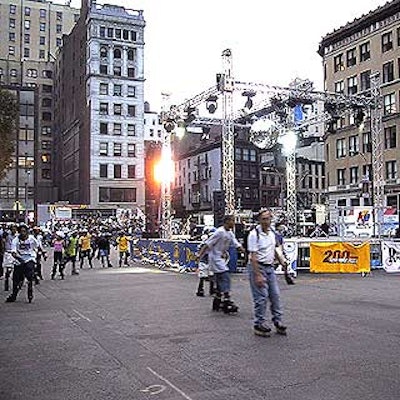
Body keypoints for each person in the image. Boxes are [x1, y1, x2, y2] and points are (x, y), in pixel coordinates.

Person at [247, 209, 289, 336]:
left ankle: (278, 321)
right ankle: (258, 323)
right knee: (261, 297)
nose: (267, 221)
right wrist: (258, 275)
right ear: (259, 220)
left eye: (268, 218)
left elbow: (274, 248)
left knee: (275, 295)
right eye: (264, 219)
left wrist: (281, 260)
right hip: (257, 267)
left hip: (269, 268)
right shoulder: (254, 234)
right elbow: (253, 256)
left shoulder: (272, 233)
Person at [197, 215, 245, 313]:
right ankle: (227, 299)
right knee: (225, 277)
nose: (234, 223)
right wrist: (199, 255)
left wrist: (244, 251)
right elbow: (207, 244)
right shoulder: (219, 232)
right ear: (227, 222)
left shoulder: (230, 233)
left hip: (221, 258)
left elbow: (236, 244)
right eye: (232, 221)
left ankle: (217, 301)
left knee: (219, 281)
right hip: (215, 258)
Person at [5, 224, 39, 303]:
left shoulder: (31, 238)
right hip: (19, 260)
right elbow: (13, 252)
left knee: (30, 275)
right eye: (21, 232)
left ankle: (30, 292)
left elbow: (37, 246)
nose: (23, 233)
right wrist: (19, 259)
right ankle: (14, 295)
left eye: (24, 231)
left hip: (29, 259)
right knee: (16, 279)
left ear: (27, 232)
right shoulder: (16, 240)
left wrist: (40, 252)